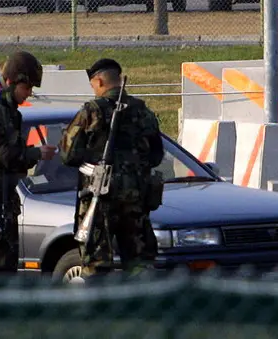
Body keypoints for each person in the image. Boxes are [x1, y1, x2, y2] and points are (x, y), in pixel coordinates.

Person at [59, 58, 165, 283]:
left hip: (100, 200)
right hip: (135, 199)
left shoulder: (92, 111)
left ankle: (96, 311)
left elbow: (68, 155)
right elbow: (157, 155)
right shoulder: (142, 111)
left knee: (96, 263)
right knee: (139, 262)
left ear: (98, 81)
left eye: (93, 86)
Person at [0, 51, 57, 281]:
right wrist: (35, 153)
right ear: (10, 82)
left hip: (5, 195)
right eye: (26, 88)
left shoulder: (9, 112)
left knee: (7, 264)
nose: (28, 94)